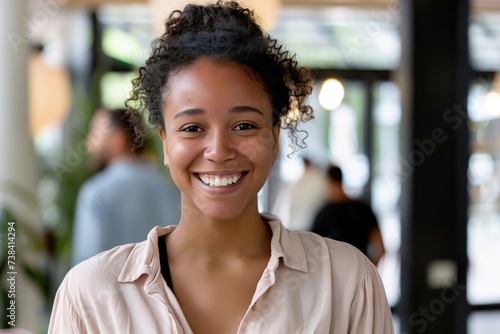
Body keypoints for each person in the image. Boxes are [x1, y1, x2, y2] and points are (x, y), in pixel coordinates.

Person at [49, 2, 394, 333]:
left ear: (275, 138)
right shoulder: (89, 296)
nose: (218, 151)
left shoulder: (347, 283)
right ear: (165, 143)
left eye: (244, 126)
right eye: (192, 128)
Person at [71, 107, 181, 265]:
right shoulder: (171, 187)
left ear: (118, 140)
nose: (88, 144)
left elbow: (85, 265)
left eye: (95, 134)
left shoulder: (95, 193)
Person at [311, 165, 386, 266]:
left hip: (336, 275)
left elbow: (312, 251)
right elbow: (381, 248)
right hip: (361, 270)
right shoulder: (363, 209)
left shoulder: (324, 213)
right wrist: (371, 270)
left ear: (329, 182)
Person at [272, 156, 327, 231]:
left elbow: (290, 205)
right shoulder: (318, 181)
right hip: (311, 224)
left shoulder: (296, 183)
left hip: (297, 225)